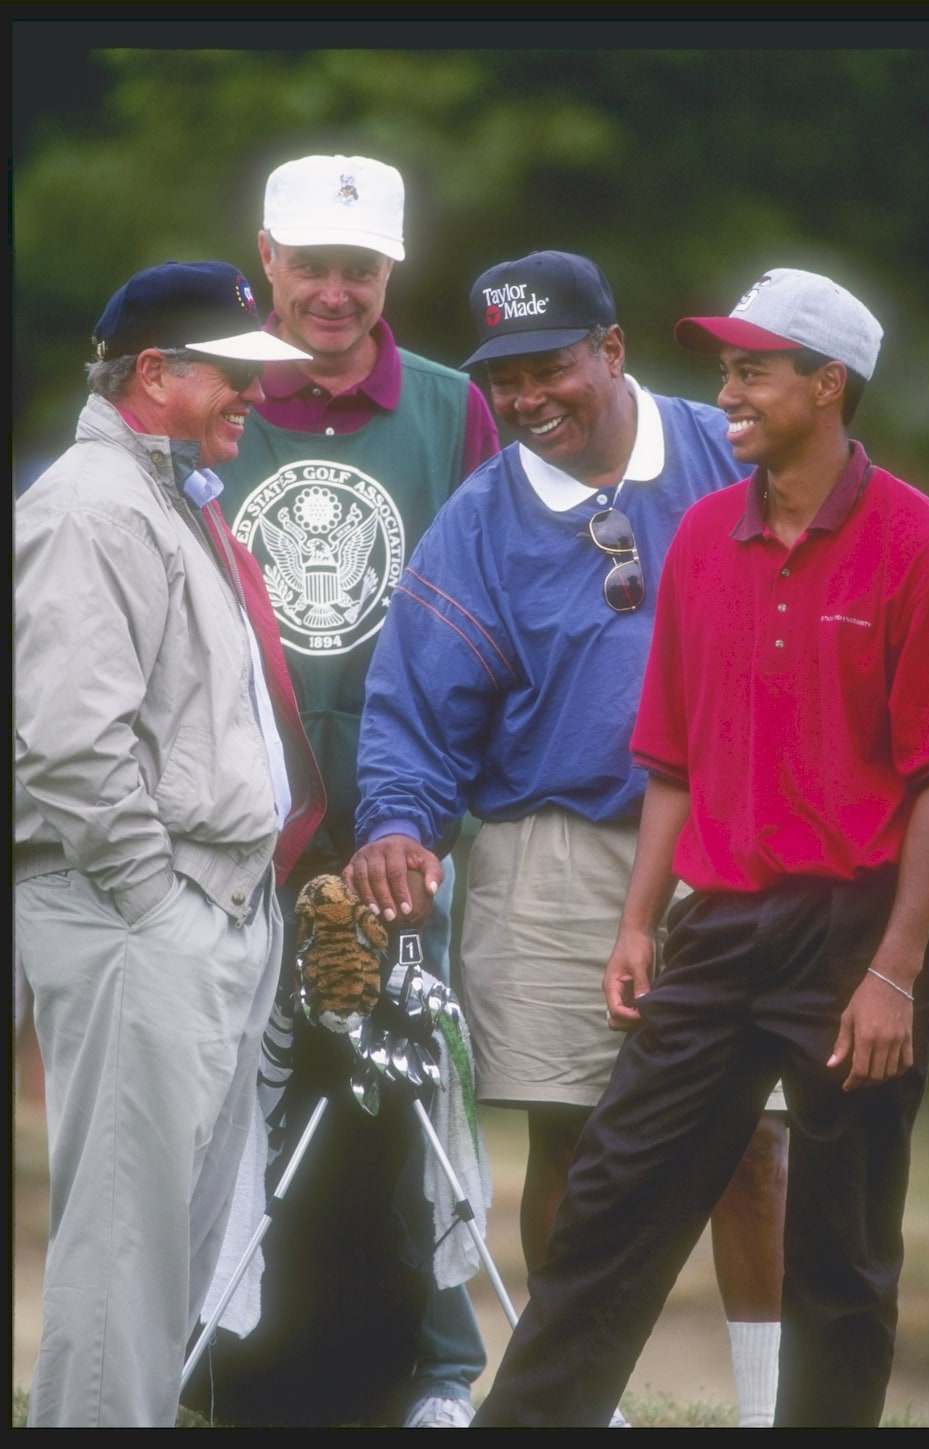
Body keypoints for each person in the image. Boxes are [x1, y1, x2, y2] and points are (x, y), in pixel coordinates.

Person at [468, 267, 929, 1428]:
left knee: (842, 1252)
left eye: (753, 370)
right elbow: (671, 759)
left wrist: (897, 971)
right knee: (612, 1206)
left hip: (857, 938)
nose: (726, 390)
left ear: (826, 386)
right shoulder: (696, 537)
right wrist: (639, 920)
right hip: (717, 925)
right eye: (726, 367)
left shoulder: (923, 544)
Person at [345, 249, 790, 1428]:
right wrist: (397, 822)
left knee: (759, 1144)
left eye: (553, 369)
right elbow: (414, 711)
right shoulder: (480, 522)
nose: (530, 400)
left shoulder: (724, 451)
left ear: (614, 350)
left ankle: (771, 1411)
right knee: (572, 1138)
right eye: (507, 381)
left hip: (743, 841)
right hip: (554, 845)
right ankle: (573, 1407)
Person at [185, 153, 500, 1430]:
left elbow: (482, 609)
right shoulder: (211, 395)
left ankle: (437, 1365)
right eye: (309, 264)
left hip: (403, 812)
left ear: (392, 274)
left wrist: (427, 816)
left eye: (357, 270)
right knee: (228, 1094)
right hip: (238, 809)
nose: (331, 292)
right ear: (266, 254)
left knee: (410, 1076)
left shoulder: (447, 408)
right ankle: (213, 1345)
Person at [14, 260, 325, 1427]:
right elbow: (69, 746)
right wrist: (159, 905)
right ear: (156, 374)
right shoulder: (93, 504)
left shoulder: (165, 494)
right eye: (233, 376)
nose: (253, 396)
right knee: (124, 1249)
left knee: (176, 1249)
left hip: (204, 907)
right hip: (138, 912)